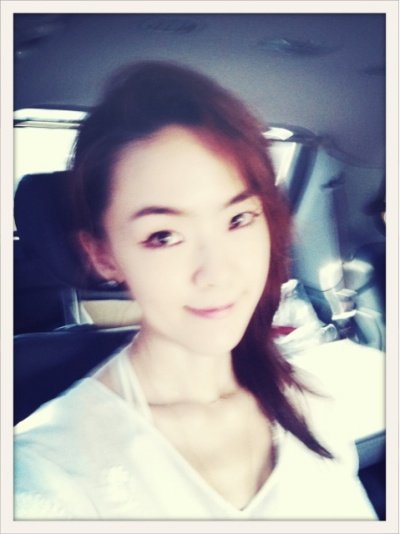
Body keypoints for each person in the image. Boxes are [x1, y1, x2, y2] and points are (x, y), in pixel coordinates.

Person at [14, 61, 377, 520]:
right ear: (104, 255)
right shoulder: (46, 474)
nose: (216, 273)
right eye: (164, 236)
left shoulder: (310, 402)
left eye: (238, 219)